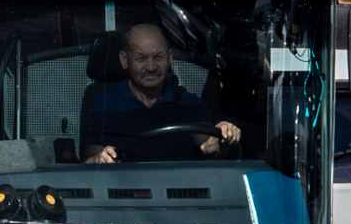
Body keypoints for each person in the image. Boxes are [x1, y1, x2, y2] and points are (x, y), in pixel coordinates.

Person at [81, 23, 240, 163]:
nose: (151, 66)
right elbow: (91, 158)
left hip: (178, 190)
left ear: (169, 58)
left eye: (158, 57)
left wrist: (223, 135)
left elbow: (207, 145)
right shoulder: (105, 102)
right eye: (141, 58)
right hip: (124, 190)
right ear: (124, 60)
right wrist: (100, 159)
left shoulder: (188, 103)